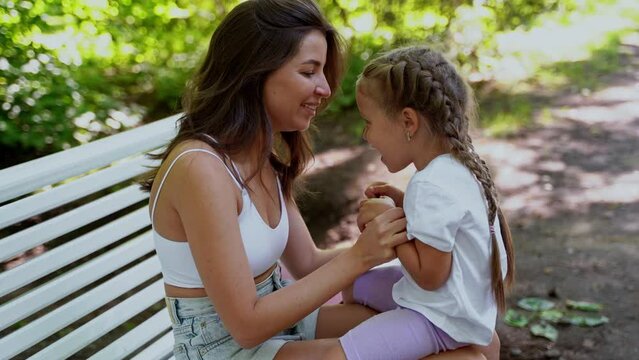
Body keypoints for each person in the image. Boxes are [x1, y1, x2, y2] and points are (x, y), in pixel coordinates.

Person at [140, 0, 490, 358]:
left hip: (278, 320)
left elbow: (306, 263)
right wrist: (359, 257)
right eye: (309, 72)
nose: (325, 88)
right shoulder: (200, 169)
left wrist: (413, 238)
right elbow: (245, 326)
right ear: (255, 72)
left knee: (472, 338)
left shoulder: (261, 161)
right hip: (223, 347)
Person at [333, 46, 516, 360]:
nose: (366, 135)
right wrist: (405, 205)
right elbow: (447, 226)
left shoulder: (431, 183)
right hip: (464, 305)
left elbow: (430, 277)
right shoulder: (459, 165)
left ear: (408, 122)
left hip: (439, 318)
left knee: (333, 357)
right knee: (356, 285)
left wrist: (389, 221)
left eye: (369, 122)